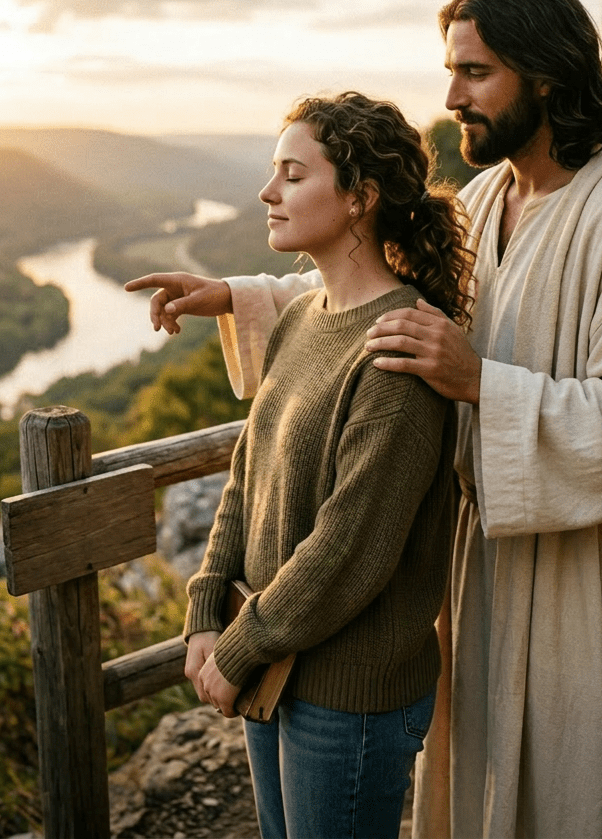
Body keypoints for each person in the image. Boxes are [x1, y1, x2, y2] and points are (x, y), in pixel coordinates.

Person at [127, 0, 602, 839]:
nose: (452, 96)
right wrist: (238, 295)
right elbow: (368, 301)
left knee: (582, 796)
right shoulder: (487, 200)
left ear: (544, 75)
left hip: (588, 575)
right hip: (479, 568)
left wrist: (482, 384)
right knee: (478, 795)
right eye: (452, 71)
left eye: (475, 73)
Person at [133, 91, 473, 839]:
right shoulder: (299, 317)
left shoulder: (398, 349)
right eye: (271, 172)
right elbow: (245, 477)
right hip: (275, 662)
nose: (267, 192)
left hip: (346, 694)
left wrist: (240, 644)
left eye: (292, 174)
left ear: (360, 198)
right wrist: (205, 608)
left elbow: (350, 548)